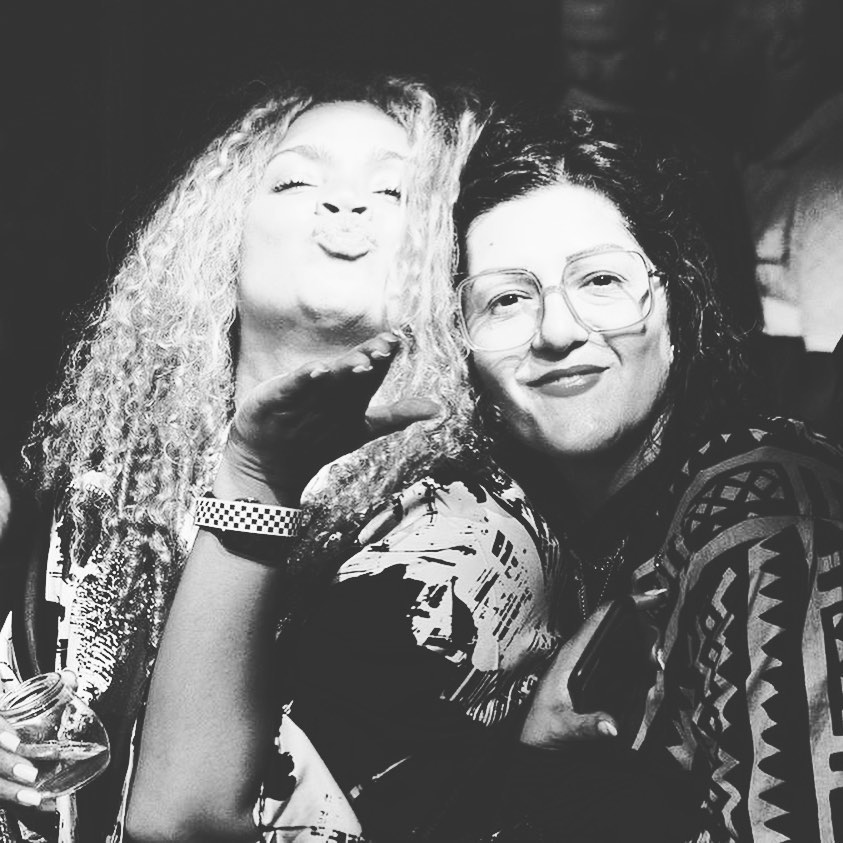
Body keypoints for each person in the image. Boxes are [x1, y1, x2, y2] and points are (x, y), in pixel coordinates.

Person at [130, 107, 843, 843]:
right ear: (462, 345)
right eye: (506, 299)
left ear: (676, 308)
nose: (557, 330)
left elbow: (181, 825)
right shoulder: (569, 531)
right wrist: (518, 769)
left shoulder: (766, 506)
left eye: (601, 280)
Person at [0, 75, 481, 843]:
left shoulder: (454, 525)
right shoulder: (105, 491)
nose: (345, 204)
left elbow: (194, 823)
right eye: (296, 180)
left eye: (392, 191)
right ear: (221, 235)